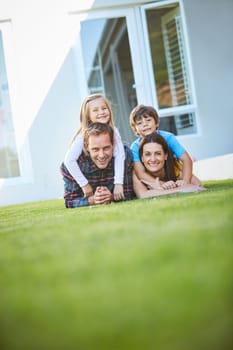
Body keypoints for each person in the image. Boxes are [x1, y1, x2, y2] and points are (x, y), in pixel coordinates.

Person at [64, 93, 125, 201]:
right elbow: (69, 160)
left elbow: (119, 156)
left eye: (104, 108)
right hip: (88, 174)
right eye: (95, 110)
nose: (101, 112)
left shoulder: (114, 131)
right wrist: (84, 185)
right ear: (88, 116)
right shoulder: (82, 136)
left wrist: (118, 184)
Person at [60, 123, 135, 208]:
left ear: (113, 145)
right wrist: (93, 200)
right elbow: (70, 202)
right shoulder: (75, 165)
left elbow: (130, 193)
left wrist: (111, 196)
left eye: (106, 148)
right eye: (95, 149)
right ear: (86, 147)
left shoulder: (124, 157)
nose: (101, 155)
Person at [130, 104, 199, 188]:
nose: (145, 124)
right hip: (150, 174)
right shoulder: (135, 147)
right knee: (149, 186)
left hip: (172, 169)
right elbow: (140, 173)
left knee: (196, 184)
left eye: (148, 120)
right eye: (139, 123)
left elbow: (186, 159)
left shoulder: (168, 137)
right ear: (135, 129)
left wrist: (185, 181)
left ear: (156, 122)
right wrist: (162, 184)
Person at [133, 133, 204, 199]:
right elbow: (143, 195)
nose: (153, 159)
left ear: (165, 156)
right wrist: (164, 188)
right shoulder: (138, 174)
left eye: (158, 153)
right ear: (142, 158)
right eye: (148, 154)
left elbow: (198, 186)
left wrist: (158, 191)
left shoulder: (175, 168)